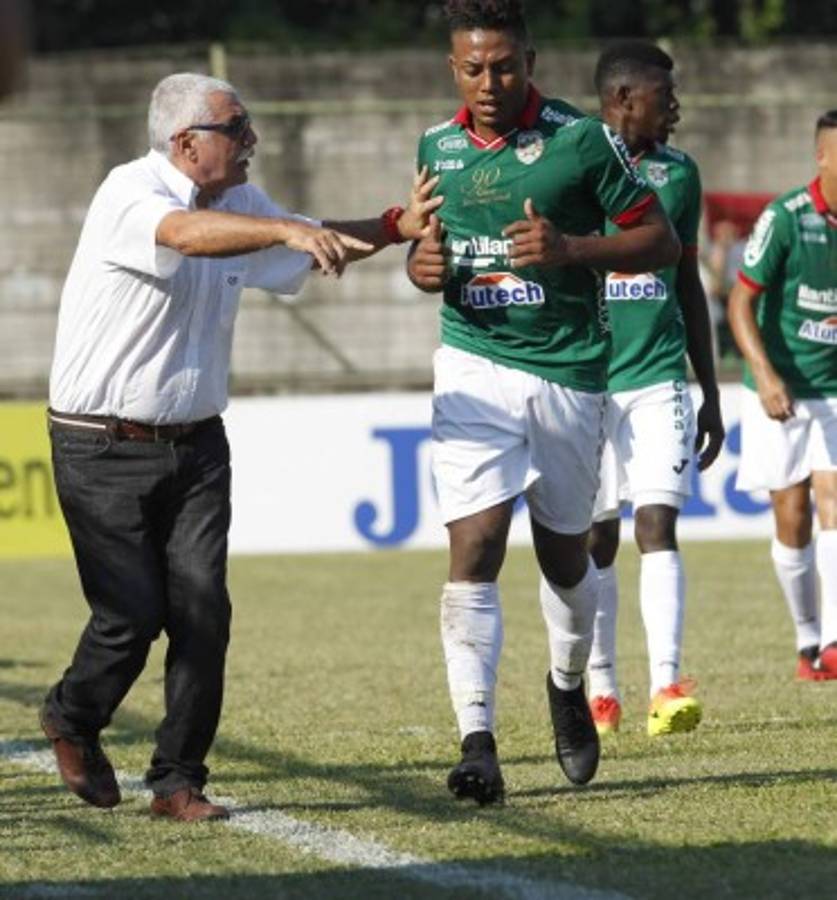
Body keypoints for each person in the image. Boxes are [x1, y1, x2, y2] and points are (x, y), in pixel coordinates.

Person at [41, 72, 440, 821]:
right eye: (238, 127)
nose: (251, 139)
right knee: (128, 618)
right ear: (186, 143)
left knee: (203, 612)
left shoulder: (241, 206)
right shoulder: (129, 191)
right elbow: (187, 237)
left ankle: (178, 780)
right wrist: (287, 228)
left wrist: (394, 225)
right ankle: (71, 716)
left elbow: (309, 242)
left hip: (196, 445)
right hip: (100, 445)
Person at [407, 0, 680, 804]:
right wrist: (421, 267)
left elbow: (659, 241)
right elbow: (432, 249)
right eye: (471, 68)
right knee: (476, 546)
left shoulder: (579, 140)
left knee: (567, 558)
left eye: (503, 66)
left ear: (528, 59)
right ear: (452, 68)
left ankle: (566, 684)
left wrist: (573, 250)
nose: (488, 83)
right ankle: (476, 740)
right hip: (471, 363)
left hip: (566, 370)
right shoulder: (436, 146)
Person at [584, 42, 725, 738]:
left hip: (658, 375)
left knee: (655, 526)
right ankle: (599, 689)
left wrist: (712, 389)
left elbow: (688, 283)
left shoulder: (678, 173)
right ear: (621, 101)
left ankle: (665, 684)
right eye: (662, 99)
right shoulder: (573, 166)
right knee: (595, 537)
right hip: (584, 379)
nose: (675, 109)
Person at [728, 110, 837, 682]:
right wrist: (766, 376)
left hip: (836, 391)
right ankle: (808, 641)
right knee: (790, 515)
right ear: (821, 157)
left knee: (833, 497)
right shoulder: (786, 218)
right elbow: (739, 302)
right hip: (779, 388)